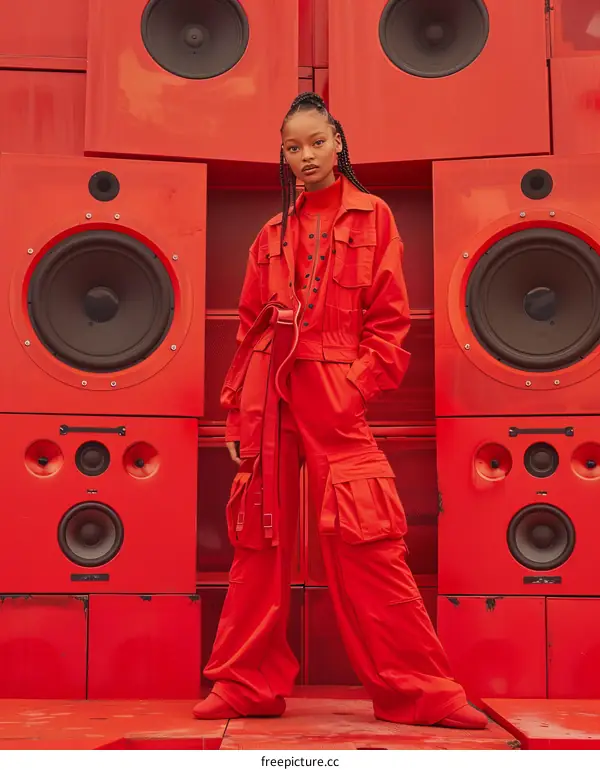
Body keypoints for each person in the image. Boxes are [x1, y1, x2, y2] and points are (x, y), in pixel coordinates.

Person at [192, 92, 486, 730]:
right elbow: (249, 332)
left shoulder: (373, 216)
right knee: (259, 538)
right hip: (269, 393)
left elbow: (391, 321)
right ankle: (243, 685)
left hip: (334, 390)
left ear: (338, 143)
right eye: (292, 147)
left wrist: (354, 385)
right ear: (283, 155)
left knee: (369, 538)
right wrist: (237, 415)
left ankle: (421, 692)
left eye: (316, 142)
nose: (305, 157)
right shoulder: (271, 233)